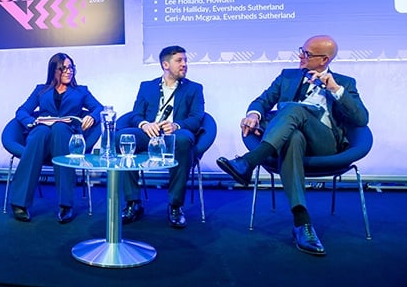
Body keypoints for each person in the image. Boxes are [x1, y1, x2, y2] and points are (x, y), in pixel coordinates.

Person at [217, 35, 369, 256]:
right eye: (301, 50)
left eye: (307, 53)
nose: (300, 56)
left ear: (324, 60)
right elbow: (262, 101)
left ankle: (249, 161)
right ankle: (302, 222)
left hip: (324, 144)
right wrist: (254, 114)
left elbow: (361, 119)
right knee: (294, 137)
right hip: (290, 140)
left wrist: (335, 89)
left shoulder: (345, 83)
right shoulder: (287, 76)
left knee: (292, 108)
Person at [116, 45, 205, 229]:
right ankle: (133, 202)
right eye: (179, 60)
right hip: (150, 133)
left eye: (185, 60)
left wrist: (176, 125)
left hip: (175, 134)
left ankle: (175, 206)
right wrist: (144, 124)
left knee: (183, 140)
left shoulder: (194, 88)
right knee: (123, 137)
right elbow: (135, 114)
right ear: (165, 65)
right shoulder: (147, 86)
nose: (184, 64)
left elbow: (197, 118)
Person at [9, 53, 103, 223]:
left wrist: (92, 116)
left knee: (60, 128)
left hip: (66, 135)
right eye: (63, 68)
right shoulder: (41, 90)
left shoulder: (81, 91)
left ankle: (65, 204)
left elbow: (99, 108)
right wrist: (31, 121)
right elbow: (21, 111)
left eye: (71, 67)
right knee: (40, 132)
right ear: (54, 70)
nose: (68, 71)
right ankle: (19, 202)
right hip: (42, 135)